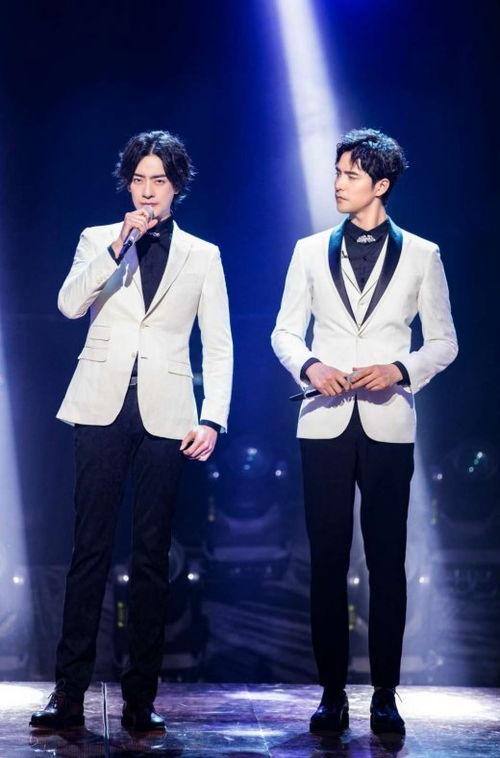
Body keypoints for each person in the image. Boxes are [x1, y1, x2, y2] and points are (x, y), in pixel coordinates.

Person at [30, 130, 233, 732]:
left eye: (158, 181)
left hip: (167, 412)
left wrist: (213, 416)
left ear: (176, 187)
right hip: (100, 404)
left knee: (151, 556)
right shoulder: (97, 238)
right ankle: (68, 692)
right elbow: (69, 305)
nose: (147, 192)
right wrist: (116, 246)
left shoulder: (203, 255)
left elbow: (218, 344)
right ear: (128, 184)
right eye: (139, 180)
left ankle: (140, 698)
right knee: (89, 549)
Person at [271, 128, 457, 736]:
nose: (338, 183)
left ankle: (384, 693)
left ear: (381, 185)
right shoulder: (308, 251)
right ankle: (331, 693)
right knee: (326, 562)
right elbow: (283, 332)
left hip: (388, 423)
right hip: (323, 421)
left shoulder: (423, 254)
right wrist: (311, 366)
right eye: (337, 172)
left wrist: (399, 369)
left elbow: (444, 342)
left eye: (350, 174)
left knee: (386, 564)